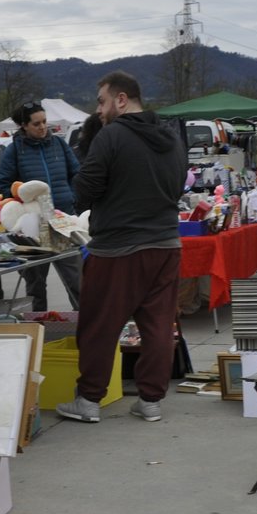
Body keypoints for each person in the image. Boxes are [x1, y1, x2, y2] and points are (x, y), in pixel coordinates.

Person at [58, 71, 186, 425]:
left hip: (117, 248)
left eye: (101, 101)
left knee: (99, 325)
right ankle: (151, 400)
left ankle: (89, 400)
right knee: (159, 325)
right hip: (165, 243)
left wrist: (88, 151)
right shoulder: (170, 137)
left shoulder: (112, 136)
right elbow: (178, 186)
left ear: (121, 99)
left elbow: (83, 192)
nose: (97, 110)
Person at [0, 100, 84, 310]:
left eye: (44, 122)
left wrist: (71, 196)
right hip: (33, 227)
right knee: (35, 286)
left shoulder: (59, 144)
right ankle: (39, 330)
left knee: (76, 282)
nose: (43, 127)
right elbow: (3, 185)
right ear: (24, 126)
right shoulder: (14, 151)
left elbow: (77, 174)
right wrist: (22, 197)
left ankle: (83, 328)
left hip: (61, 222)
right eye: (36, 124)